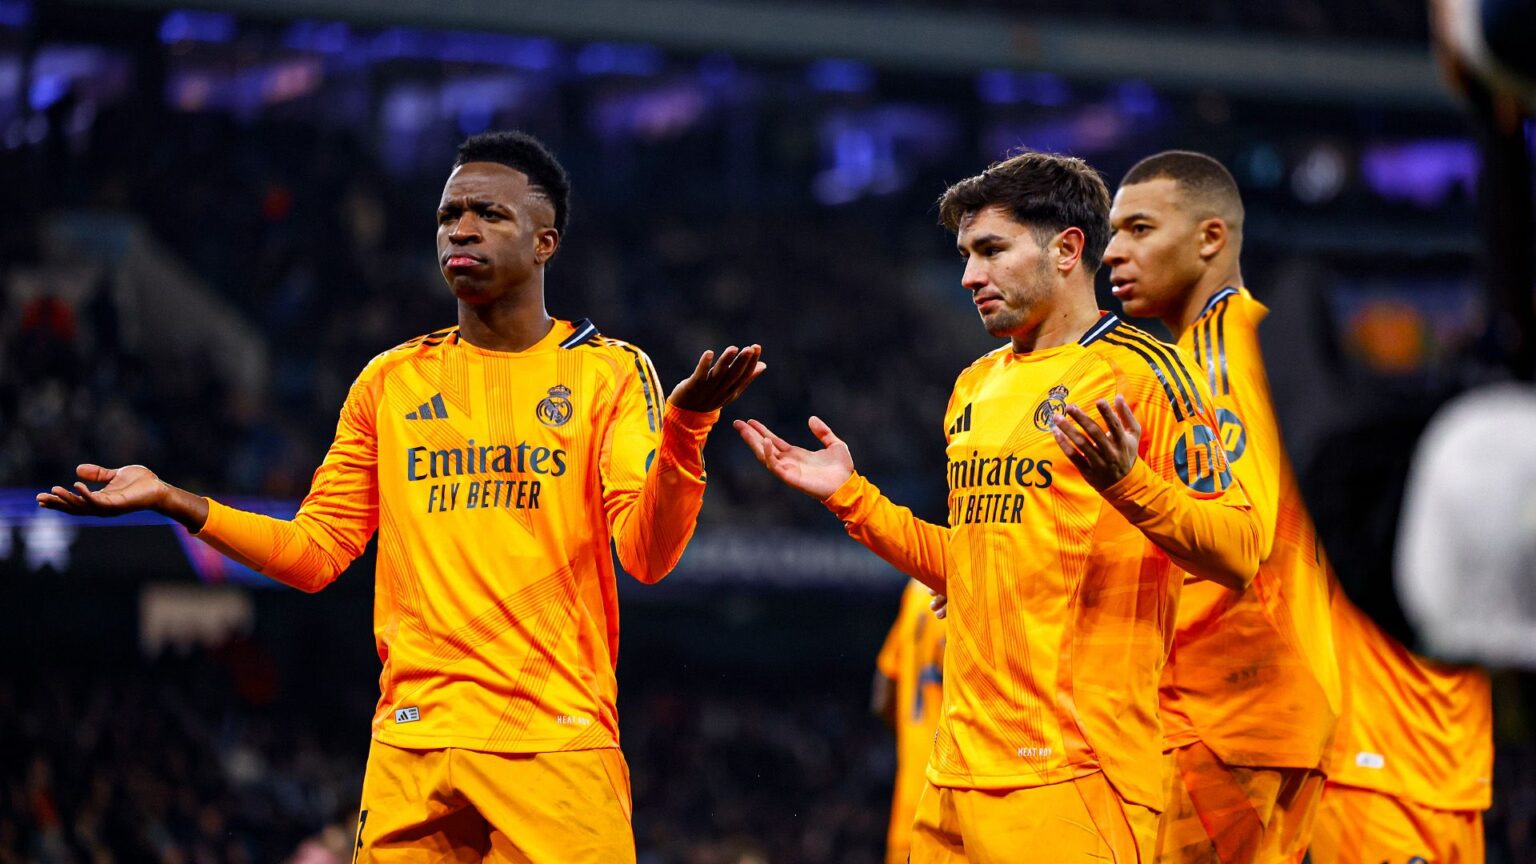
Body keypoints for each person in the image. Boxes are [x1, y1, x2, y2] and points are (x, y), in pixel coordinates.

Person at [37, 130, 764, 863]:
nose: (462, 229)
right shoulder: (391, 381)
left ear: (546, 242)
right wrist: (177, 501)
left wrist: (686, 432)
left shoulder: (607, 373)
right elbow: (314, 554)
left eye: (489, 213)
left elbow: (647, 555)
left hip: (555, 745)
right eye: (449, 214)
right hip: (410, 750)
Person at [736, 150, 1261, 860]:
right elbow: (969, 566)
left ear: (1068, 250)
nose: (969, 276)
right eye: (965, 254)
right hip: (954, 776)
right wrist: (852, 498)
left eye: (991, 250)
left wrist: (1128, 483)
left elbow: (1239, 551)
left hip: (1075, 773)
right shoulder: (974, 386)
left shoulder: (1144, 373)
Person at [1100, 150, 1340, 862]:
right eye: (1114, 230)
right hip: (1281, 708)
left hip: (1222, 712)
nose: (1114, 250)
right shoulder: (1266, 343)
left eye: (1140, 228)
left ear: (1210, 239)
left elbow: (1235, 538)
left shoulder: (1211, 361)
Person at [871, 579, 946, 864]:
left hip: (912, 805)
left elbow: (881, 698)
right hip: (964, 807)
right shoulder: (981, 583)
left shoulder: (916, 589)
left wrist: (914, 741)